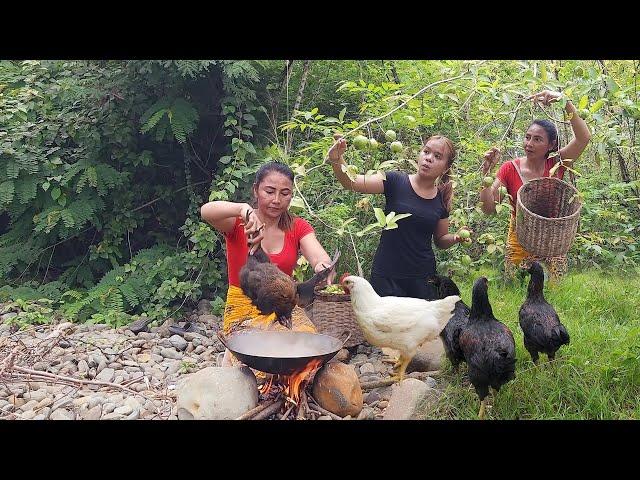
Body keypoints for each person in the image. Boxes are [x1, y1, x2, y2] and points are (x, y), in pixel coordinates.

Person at [201, 161, 335, 365]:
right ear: (256, 190)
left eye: (285, 193)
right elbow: (206, 211)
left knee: (306, 352)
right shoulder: (238, 223)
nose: (276, 200)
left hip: (285, 307)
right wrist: (242, 210)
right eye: (269, 191)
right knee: (259, 357)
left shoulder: (297, 227)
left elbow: (319, 257)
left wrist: (323, 266)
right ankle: (231, 360)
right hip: (244, 305)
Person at [328, 133, 467, 300]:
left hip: (422, 279)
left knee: (418, 326)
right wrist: (337, 158)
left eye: (437, 156)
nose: (428, 158)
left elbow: (440, 239)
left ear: (445, 167)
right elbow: (352, 182)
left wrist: (455, 238)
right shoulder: (395, 181)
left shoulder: (441, 199)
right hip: (386, 275)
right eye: (426, 152)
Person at [479, 89, 592, 279]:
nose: (529, 143)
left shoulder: (557, 163)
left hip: (553, 238)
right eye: (527, 137)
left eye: (537, 139)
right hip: (520, 237)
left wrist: (564, 101)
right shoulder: (509, 169)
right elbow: (489, 209)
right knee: (516, 286)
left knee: (555, 291)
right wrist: (485, 175)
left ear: (550, 145)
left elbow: (584, 138)